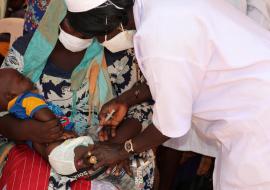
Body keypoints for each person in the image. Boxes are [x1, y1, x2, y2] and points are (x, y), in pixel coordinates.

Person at [86, 0, 270, 190]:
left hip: (259, 126)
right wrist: (125, 99)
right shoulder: (162, 9)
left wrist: (120, 151)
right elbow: (184, 74)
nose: (102, 43)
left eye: (99, 36)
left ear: (110, 21)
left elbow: (170, 126)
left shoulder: (157, 32)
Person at [0, 0, 155, 189]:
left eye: (84, 29)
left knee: (137, 174)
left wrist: (115, 147)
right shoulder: (27, 51)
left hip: (113, 151)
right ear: (58, 13)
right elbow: (1, 111)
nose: (75, 33)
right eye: (69, 23)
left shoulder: (116, 53)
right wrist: (29, 130)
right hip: (41, 150)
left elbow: (141, 107)